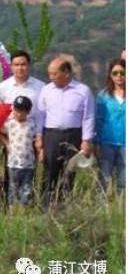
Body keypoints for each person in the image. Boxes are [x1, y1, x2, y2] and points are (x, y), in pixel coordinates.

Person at [36, 57, 95, 210]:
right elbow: (40, 115)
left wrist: (86, 140)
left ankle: (65, 207)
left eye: (54, 74)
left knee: (69, 171)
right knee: (50, 171)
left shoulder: (83, 91)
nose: (51, 77)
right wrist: (39, 137)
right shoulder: (46, 90)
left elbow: (88, 116)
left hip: (73, 135)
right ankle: (45, 207)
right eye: (50, 74)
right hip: (51, 135)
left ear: (66, 73)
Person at [0, 50, 45, 204]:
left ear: (28, 65)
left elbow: (42, 115)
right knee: (11, 178)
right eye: (16, 65)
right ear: (11, 66)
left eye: (23, 64)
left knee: (29, 178)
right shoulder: (4, 87)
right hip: (12, 139)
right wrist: (6, 143)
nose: (20, 68)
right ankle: (9, 208)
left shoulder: (40, 87)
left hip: (32, 138)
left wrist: (39, 139)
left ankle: (27, 206)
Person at [0, 96, 40, 209]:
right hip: (13, 163)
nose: (19, 114)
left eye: (22, 111)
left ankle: (23, 209)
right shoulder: (9, 123)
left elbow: (38, 138)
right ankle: (12, 209)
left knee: (26, 188)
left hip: (28, 163)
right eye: (17, 110)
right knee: (13, 187)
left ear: (28, 112)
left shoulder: (32, 124)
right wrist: (6, 144)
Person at [94, 58, 125, 197]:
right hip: (107, 144)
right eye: (115, 72)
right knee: (103, 180)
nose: (119, 76)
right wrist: (96, 143)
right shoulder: (103, 95)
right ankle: (101, 211)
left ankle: (122, 211)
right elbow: (98, 120)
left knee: (123, 181)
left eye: (122, 72)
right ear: (110, 75)